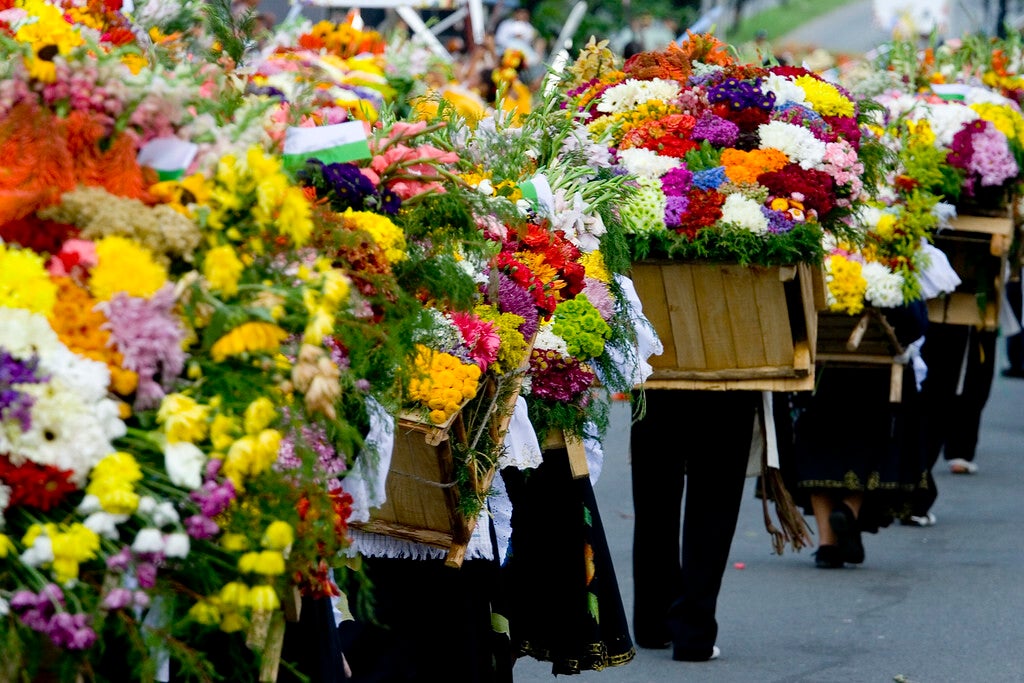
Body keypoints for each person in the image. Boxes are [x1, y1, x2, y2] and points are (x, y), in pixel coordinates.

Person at [778, 303, 931, 565]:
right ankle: (849, 509)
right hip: (874, 377)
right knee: (873, 443)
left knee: (816, 448)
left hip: (822, 372)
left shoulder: (810, 266)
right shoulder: (894, 265)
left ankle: (827, 545)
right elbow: (914, 325)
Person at [630, 388, 760, 661]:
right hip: (728, 378)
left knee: (654, 503)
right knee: (713, 505)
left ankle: (653, 622)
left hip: (658, 375)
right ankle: (692, 630)